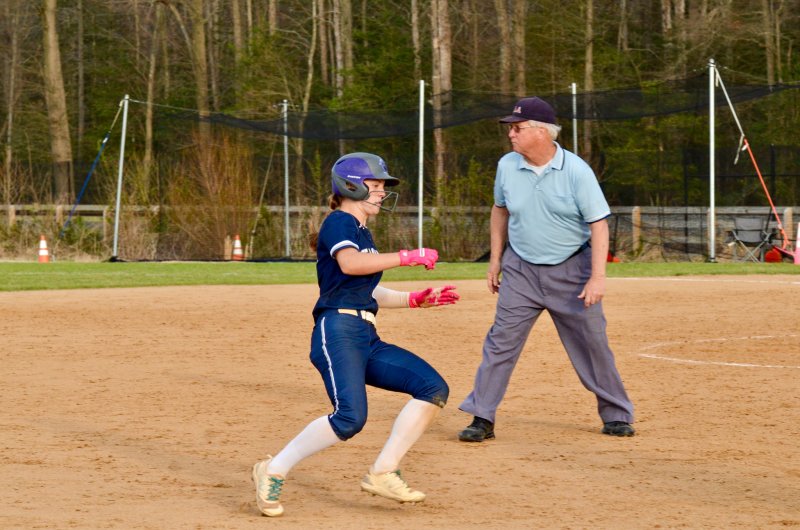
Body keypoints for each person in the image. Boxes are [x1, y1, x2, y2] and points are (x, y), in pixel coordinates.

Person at [252, 152, 460, 517]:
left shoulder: (362, 232)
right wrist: (407, 256)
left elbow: (365, 289)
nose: (381, 192)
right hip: (338, 331)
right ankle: (273, 469)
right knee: (350, 418)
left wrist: (414, 299)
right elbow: (350, 264)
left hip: (364, 334)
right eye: (375, 185)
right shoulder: (339, 221)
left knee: (432, 388)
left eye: (382, 186)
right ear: (351, 187)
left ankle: (383, 471)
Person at [457, 97, 635, 443]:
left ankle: (616, 414)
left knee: (592, 343)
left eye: (517, 128)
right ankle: (482, 416)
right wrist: (495, 259)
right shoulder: (507, 165)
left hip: (572, 271)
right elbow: (499, 210)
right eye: (510, 128)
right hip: (521, 270)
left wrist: (597, 277)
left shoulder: (576, 171)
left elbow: (599, 224)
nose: (511, 134)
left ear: (542, 132)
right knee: (500, 343)